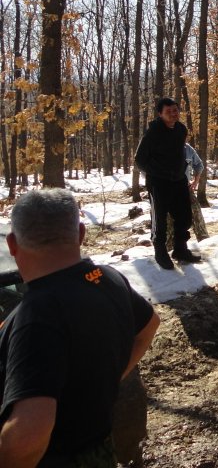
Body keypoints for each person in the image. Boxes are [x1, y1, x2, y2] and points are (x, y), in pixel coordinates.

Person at [0, 189, 160, 467]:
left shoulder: (36, 315)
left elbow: (29, 436)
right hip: (98, 453)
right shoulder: (105, 278)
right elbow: (149, 325)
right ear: (81, 234)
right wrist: (109, 377)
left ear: (13, 244)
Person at [135, 97, 199, 269]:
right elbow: (139, 160)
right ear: (160, 114)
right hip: (158, 182)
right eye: (168, 111)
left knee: (184, 217)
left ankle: (180, 248)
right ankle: (160, 251)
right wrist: (157, 171)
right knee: (160, 220)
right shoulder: (153, 132)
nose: (173, 114)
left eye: (175, 110)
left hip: (179, 180)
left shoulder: (181, 130)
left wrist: (181, 170)